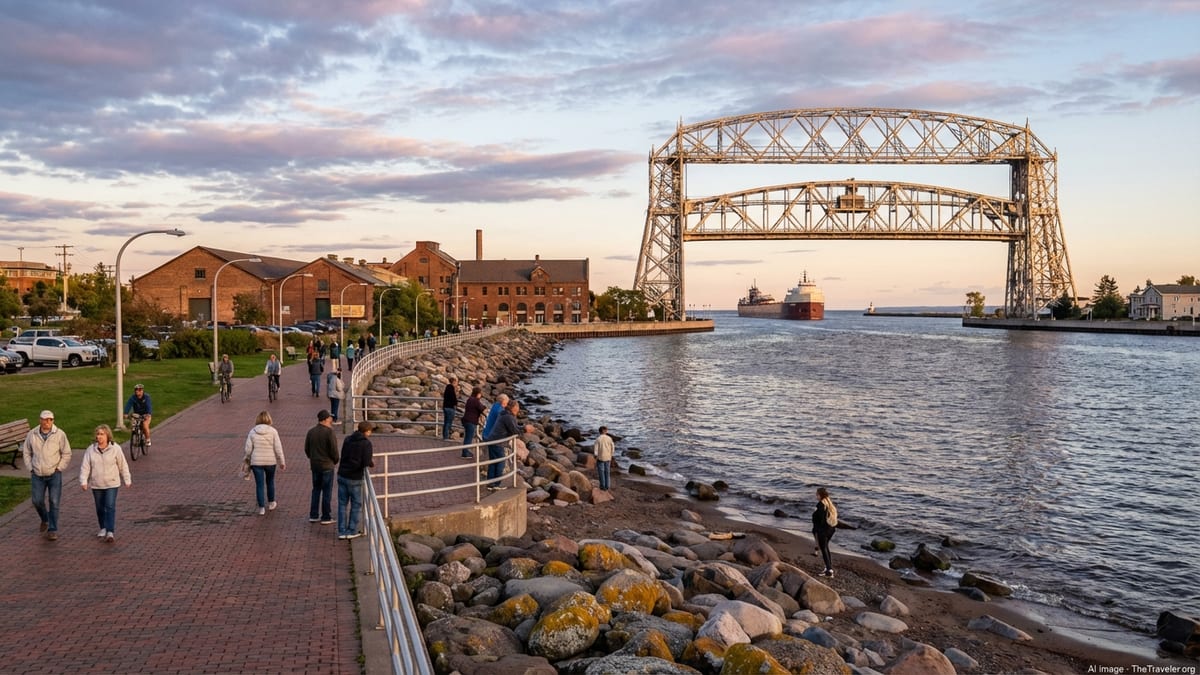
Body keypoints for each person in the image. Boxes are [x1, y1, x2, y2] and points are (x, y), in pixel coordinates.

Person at [21, 410, 72, 541]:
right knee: (37, 500)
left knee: (54, 501)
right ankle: (45, 518)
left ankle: (52, 529)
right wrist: (30, 467)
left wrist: (59, 467)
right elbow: (26, 451)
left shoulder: (60, 434)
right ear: (40, 420)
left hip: (54, 473)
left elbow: (66, 453)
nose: (48, 422)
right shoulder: (32, 434)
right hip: (37, 473)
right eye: (45, 419)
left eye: (50, 420)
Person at [80, 424, 131, 543]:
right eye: (98, 434)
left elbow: (122, 464)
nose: (99, 437)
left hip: (112, 483)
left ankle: (110, 531)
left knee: (110, 506)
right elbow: (85, 467)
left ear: (108, 435)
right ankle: (103, 527)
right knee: (99, 507)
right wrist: (83, 481)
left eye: (102, 434)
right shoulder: (91, 450)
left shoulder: (115, 448)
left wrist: (127, 479)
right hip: (97, 484)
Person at [482, 398, 532, 490]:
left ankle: (490, 483)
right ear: (513, 408)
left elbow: (514, 427)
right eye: (517, 407)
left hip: (493, 440)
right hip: (498, 442)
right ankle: (496, 483)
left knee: (493, 462)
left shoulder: (505, 414)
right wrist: (525, 429)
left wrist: (521, 427)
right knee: (500, 462)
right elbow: (514, 431)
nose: (519, 409)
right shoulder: (508, 417)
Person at [243, 410, 286, 515]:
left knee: (259, 484)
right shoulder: (273, 431)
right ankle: (271, 502)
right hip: (270, 461)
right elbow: (278, 448)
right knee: (270, 481)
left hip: (256, 462)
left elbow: (248, 449)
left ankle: (261, 507)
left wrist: (247, 458)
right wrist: (282, 461)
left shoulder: (252, 431)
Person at [337, 421, 374, 540]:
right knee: (356, 505)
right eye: (370, 431)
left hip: (342, 474)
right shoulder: (366, 444)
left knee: (342, 504)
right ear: (367, 431)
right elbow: (366, 462)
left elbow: (343, 455)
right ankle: (351, 530)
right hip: (355, 477)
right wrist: (371, 463)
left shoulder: (348, 439)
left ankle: (342, 531)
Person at [304, 410, 339, 525]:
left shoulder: (311, 432)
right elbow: (334, 450)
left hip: (315, 465)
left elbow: (307, 449)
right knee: (327, 491)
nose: (331, 420)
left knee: (316, 490)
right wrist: (335, 460)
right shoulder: (329, 432)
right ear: (325, 419)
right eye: (329, 418)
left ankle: (313, 515)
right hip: (327, 465)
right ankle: (326, 516)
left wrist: (312, 457)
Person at [812, 487, 838, 577]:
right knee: (826, 547)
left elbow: (821, 520)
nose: (816, 496)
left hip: (823, 531)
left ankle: (829, 570)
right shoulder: (830, 504)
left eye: (817, 494)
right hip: (831, 529)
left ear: (820, 495)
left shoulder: (821, 505)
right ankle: (828, 568)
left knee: (824, 549)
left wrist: (818, 530)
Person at [461, 386, 485, 458]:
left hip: (466, 419)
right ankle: (465, 453)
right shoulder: (476, 401)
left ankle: (465, 451)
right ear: (478, 394)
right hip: (471, 421)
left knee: (467, 436)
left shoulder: (469, 399)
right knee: (469, 437)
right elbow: (481, 408)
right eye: (480, 394)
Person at [593, 425, 615, 491]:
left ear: (599, 432)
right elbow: (613, 447)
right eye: (606, 430)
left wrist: (595, 455)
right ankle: (607, 486)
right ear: (605, 431)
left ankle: (602, 486)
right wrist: (611, 454)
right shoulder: (609, 438)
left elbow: (596, 449)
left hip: (600, 457)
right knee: (607, 472)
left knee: (601, 472)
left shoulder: (598, 439)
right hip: (608, 457)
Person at [441, 376, 458, 441]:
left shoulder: (447, 388)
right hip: (450, 407)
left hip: (446, 407)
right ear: (454, 382)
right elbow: (453, 398)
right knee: (448, 422)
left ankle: (445, 435)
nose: (457, 384)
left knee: (446, 422)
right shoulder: (451, 388)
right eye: (456, 382)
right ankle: (446, 437)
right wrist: (455, 404)